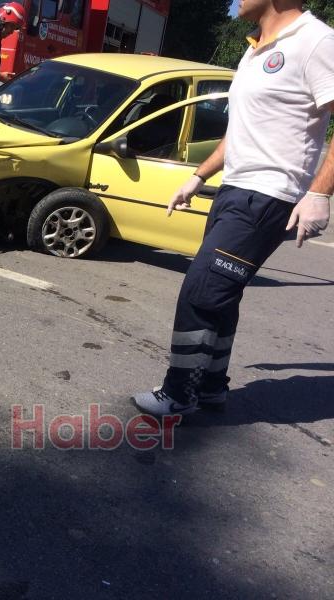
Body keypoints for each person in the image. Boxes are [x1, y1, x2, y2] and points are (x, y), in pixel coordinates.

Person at [134, 0, 334, 417]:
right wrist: (198, 177)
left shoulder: (318, 42)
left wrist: (320, 192)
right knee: (222, 295)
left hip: (268, 196)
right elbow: (239, 132)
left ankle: (178, 394)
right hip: (234, 190)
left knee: (203, 290)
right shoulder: (254, 47)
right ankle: (209, 388)